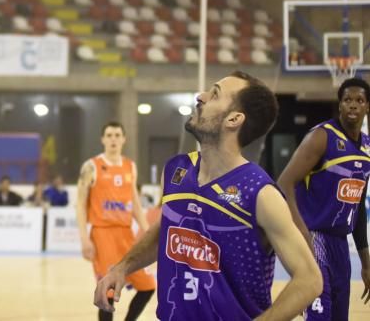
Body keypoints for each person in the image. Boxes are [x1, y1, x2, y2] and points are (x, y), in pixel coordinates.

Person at [94, 72, 323, 320]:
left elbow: (309, 279)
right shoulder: (175, 170)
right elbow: (166, 230)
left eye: (214, 94)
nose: (201, 97)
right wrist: (122, 268)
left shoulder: (260, 193)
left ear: (234, 119)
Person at [277, 76, 370, 320]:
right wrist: (302, 234)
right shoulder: (322, 137)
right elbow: (284, 182)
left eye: (359, 100)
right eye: (347, 100)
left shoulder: (367, 148)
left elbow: (358, 207)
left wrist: (366, 263)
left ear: (367, 107)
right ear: (339, 104)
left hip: (341, 246)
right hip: (315, 239)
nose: (353, 104)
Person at [78, 122, 154, 321]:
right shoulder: (91, 166)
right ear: (102, 139)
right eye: (109, 135)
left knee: (148, 286)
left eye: (117, 135)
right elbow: (80, 204)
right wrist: (84, 239)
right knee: (108, 291)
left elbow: (135, 202)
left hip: (126, 235)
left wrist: (148, 232)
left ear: (124, 139)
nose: (113, 139)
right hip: (102, 234)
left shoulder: (130, 166)